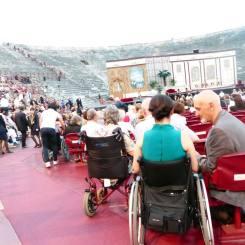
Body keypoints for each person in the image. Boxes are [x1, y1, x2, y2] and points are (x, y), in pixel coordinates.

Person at [193, 90, 245, 213]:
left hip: (234, 189)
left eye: (198, 109)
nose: (196, 114)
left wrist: (196, 156)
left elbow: (210, 167)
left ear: (211, 106)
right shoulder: (231, 120)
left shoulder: (218, 131)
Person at [132, 95, 198, 174]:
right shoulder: (184, 137)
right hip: (180, 185)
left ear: (151, 112)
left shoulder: (141, 139)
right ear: (172, 111)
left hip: (151, 185)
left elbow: (135, 169)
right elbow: (195, 168)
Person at [40, 102, 65, 168]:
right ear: (55, 108)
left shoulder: (43, 112)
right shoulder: (56, 113)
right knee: (54, 144)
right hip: (51, 129)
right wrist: (64, 129)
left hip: (43, 129)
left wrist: (41, 129)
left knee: (45, 146)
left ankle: (47, 162)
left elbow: (40, 121)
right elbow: (62, 122)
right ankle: (55, 160)